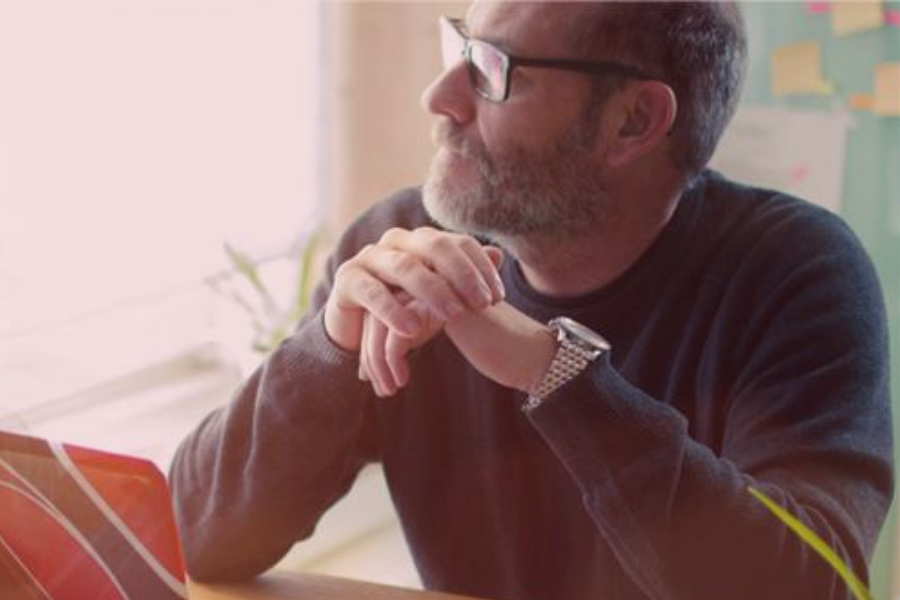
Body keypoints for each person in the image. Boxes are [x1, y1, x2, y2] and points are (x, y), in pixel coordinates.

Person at [169, 3, 894, 600]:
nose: (439, 97)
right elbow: (189, 537)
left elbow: (814, 588)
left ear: (633, 123)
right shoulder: (401, 249)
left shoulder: (796, 276)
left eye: (490, 70)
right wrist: (327, 347)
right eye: (457, 44)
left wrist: (556, 370)